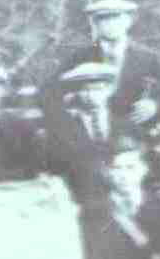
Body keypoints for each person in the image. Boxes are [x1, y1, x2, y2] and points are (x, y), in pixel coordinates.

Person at [43, 0, 160, 125]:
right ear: (94, 24)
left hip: (135, 136)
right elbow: (50, 92)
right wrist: (73, 106)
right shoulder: (80, 57)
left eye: (116, 18)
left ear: (128, 21)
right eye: (102, 19)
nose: (110, 24)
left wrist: (156, 106)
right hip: (90, 136)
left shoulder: (149, 58)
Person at [46, 62, 127, 205]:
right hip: (81, 201)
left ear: (110, 90)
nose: (91, 95)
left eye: (97, 89)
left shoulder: (126, 125)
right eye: (84, 90)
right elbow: (55, 169)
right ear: (76, 93)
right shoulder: (62, 130)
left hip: (122, 197)